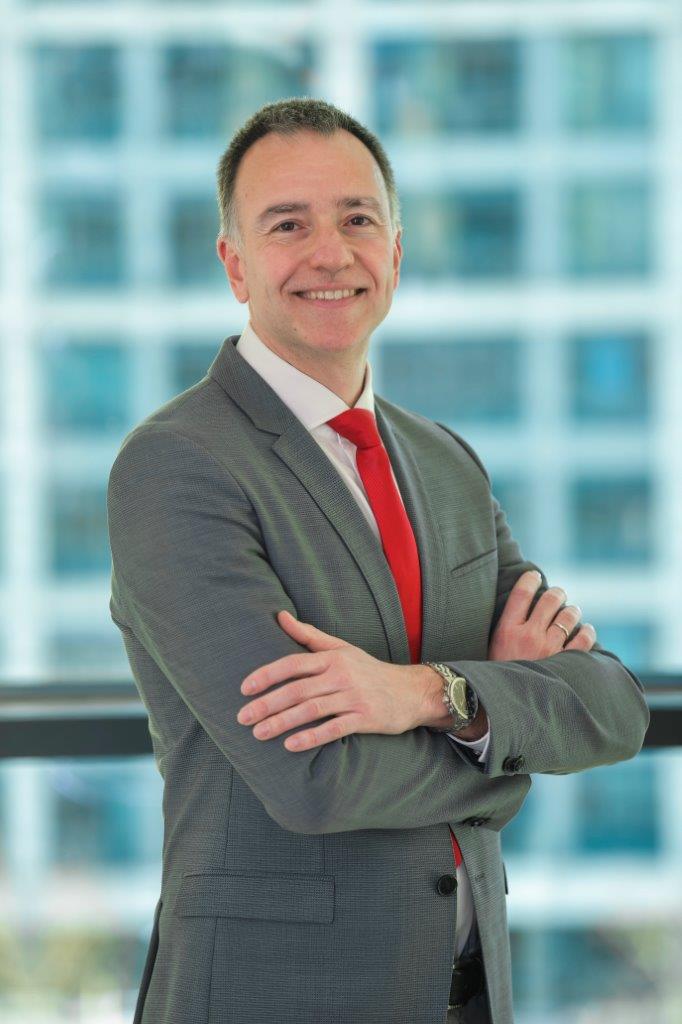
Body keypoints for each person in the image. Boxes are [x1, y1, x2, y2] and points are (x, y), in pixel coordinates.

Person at [106, 97, 650, 1024]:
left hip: (470, 995)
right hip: (275, 999)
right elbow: (317, 781)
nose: (331, 253)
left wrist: (430, 695)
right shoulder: (178, 466)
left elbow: (613, 707)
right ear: (235, 264)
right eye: (288, 225)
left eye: (357, 219)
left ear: (395, 253)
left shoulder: (443, 462)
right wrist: (508, 742)